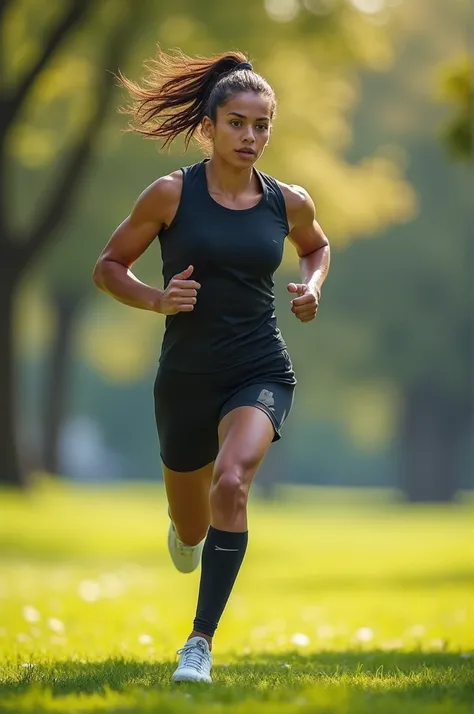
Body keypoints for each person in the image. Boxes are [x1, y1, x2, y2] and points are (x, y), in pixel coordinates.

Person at [93, 48, 330, 684]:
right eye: (237, 123)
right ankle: (187, 530)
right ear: (210, 124)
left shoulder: (288, 201)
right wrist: (156, 299)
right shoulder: (171, 194)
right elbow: (108, 266)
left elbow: (316, 247)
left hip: (260, 366)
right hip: (186, 379)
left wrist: (312, 286)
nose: (250, 137)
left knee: (232, 480)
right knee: (191, 524)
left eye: (261, 126)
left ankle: (198, 642)